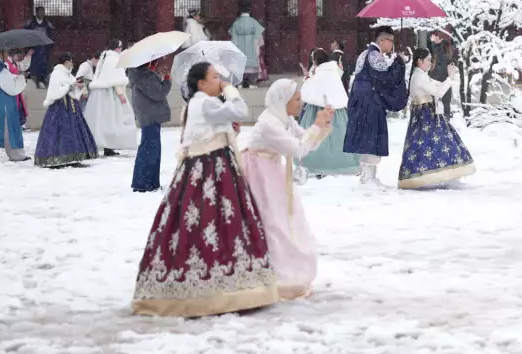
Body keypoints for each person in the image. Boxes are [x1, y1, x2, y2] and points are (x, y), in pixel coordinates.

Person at [132, 62, 278, 317]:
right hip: (210, 167)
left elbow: (216, 124)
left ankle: (200, 285)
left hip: (202, 165)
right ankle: (217, 289)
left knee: (195, 222)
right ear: (201, 83)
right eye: (214, 77)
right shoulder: (204, 102)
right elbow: (241, 109)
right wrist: (230, 89)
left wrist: (225, 125)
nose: (219, 80)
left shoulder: (197, 103)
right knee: (216, 220)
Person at [243, 79, 333, 300]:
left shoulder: (285, 119)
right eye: (297, 99)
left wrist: (320, 126)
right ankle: (272, 275)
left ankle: (286, 272)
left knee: (282, 219)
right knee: (270, 222)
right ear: (283, 101)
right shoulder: (269, 124)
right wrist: (317, 125)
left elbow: (304, 140)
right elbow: (298, 149)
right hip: (258, 173)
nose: (301, 103)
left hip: (271, 170)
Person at [398, 48, 475, 189]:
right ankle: (438, 175)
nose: (429, 63)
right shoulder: (419, 76)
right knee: (438, 142)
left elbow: (437, 85)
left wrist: (448, 78)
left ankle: (437, 175)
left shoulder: (421, 74)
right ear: (419, 61)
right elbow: (438, 92)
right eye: (427, 60)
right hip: (425, 116)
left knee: (428, 144)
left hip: (426, 114)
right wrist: (450, 78)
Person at [343, 26, 409, 185]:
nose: (392, 44)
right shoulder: (373, 55)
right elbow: (385, 77)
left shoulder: (366, 54)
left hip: (361, 102)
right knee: (371, 137)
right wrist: (398, 63)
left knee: (366, 138)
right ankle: (369, 177)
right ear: (382, 40)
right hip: (369, 103)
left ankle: (366, 175)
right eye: (391, 41)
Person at [299, 49, 360, 176]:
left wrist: (307, 79)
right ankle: (343, 163)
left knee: (317, 136)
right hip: (337, 110)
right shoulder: (333, 72)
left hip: (319, 110)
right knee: (340, 136)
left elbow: (308, 91)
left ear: (316, 60)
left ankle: (317, 163)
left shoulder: (320, 74)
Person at [34, 53, 98, 168]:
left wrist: (77, 86)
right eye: (71, 61)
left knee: (71, 132)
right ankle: (56, 157)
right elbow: (55, 91)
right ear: (66, 62)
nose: (72, 63)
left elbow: (72, 87)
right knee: (59, 132)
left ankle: (73, 157)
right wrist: (70, 86)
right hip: (59, 107)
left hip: (71, 105)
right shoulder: (57, 73)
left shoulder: (67, 74)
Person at [83, 40, 138, 156]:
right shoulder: (114, 59)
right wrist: (121, 94)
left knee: (101, 120)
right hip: (110, 93)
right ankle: (108, 146)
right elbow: (115, 79)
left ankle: (97, 145)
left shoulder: (105, 57)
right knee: (112, 119)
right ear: (117, 48)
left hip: (100, 93)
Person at [127, 58, 172, 192]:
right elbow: (159, 93)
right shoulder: (145, 77)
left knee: (151, 149)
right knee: (150, 150)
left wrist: (154, 73)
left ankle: (150, 182)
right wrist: (167, 80)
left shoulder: (140, 75)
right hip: (150, 117)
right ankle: (143, 183)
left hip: (148, 116)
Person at [229, 5, 265, 88]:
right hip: (252, 43)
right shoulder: (253, 22)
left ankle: (239, 83)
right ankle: (252, 82)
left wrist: (234, 46)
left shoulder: (236, 23)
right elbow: (258, 37)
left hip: (239, 44)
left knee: (240, 64)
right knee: (252, 64)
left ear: (240, 12)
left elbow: (233, 37)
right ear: (249, 12)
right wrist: (258, 45)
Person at [24, 7, 54, 88]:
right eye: (40, 12)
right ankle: (33, 80)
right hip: (34, 48)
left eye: (43, 12)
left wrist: (50, 46)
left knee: (43, 64)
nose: (41, 14)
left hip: (44, 48)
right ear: (36, 13)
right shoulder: (31, 23)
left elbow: (51, 36)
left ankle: (41, 80)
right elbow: (26, 35)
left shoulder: (47, 24)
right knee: (33, 64)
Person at [427, 30, 455, 119]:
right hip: (436, 79)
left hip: (442, 80)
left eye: (434, 36)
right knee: (435, 105)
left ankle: (445, 125)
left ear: (440, 37)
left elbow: (441, 59)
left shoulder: (444, 48)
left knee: (443, 105)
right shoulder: (436, 47)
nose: (432, 37)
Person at [6, 50, 32, 128]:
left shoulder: (15, 64)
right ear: (12, 55)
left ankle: (18, 125)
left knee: (19, 107)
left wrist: (28, 55)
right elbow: (7, 77)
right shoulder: (6, 64)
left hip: (16, 90)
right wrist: (17, 76)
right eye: (16, 56)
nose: (17, 58)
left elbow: (23, 65)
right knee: (13, 108)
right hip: (10, 91)